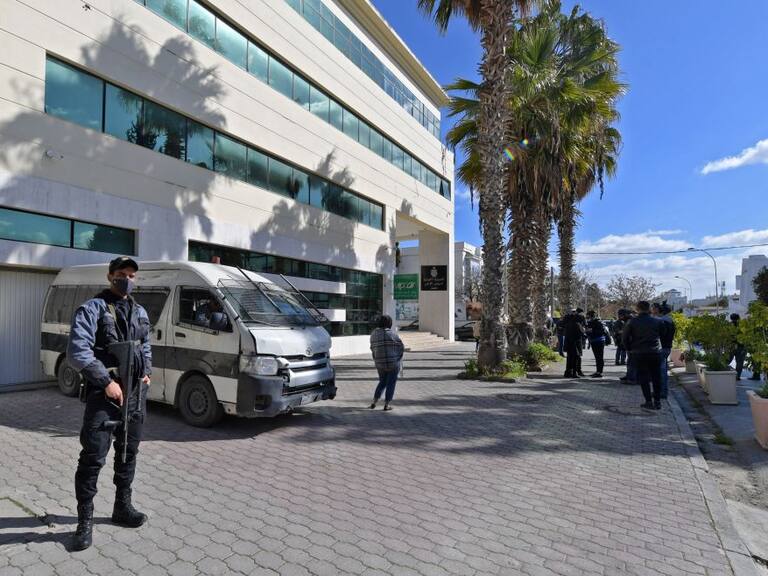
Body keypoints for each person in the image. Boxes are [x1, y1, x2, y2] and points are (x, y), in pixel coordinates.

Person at [67, 257, 152, 551]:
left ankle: (122, 507)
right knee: (93, 456)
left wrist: (147, 374)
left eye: (131, 275)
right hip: (104, 395)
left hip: (135, 396)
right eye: (120, 274)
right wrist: (107, 382)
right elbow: (78, 351)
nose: (126, 279)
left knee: (128, 452)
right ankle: (84, 522)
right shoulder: (93, 308)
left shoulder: (140, 311)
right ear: (109, 276)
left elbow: (145, 346)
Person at [623, 300, 663, 410]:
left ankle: (648, 401)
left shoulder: (632, 322)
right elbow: (663, 335)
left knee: (644, 378)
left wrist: (629, 349)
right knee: (656, 377)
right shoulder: (657, 321)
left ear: (638, 309)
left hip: (639, 353)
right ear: (649, 308)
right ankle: (658, 401)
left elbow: (625, 337)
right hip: (655, 352)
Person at [369, 314, 404, 411]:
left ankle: (374, 402)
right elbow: (401, 347)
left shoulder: (373, 334)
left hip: (380, 363)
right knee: (391, 383)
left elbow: (372, 348)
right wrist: (397, 357)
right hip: (393, 363)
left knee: (382, 382)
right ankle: (387, 404)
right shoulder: (392, 334)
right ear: (390, 323)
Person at [654, 302, 676, 399]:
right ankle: (662, 391)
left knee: (661, 372)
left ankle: (662, 392)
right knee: (662, 371)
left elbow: (659, 335)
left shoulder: (661, 321)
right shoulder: (670, 320)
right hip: (667, 347)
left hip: (661, 348)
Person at [562, 311, 586, 378]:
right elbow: (582, 333)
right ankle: (574, 373)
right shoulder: (577, 324)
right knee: (576, 356)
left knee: (570, 357)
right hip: (575, 342)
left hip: (569, 342)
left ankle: (568, 372)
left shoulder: (568, 322)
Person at [586, 310, 607, 378]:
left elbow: (601, 332)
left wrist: (591, 331)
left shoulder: (597, 322)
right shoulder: (594, 322)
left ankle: (599, 372)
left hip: (598, 341)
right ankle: (598, 371)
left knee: (599, 357)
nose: (587, 317)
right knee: (597, 357)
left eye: (588, 315)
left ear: (591, 315)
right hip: (595, 341)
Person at [730, 313, 747, 380]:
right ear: (739, 318)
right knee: (740, 362)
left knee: (727, 360)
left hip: (731, 345)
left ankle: (723, 373)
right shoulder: (743, 326)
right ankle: (737, 376)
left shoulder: (729, 325)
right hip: (741, 346)